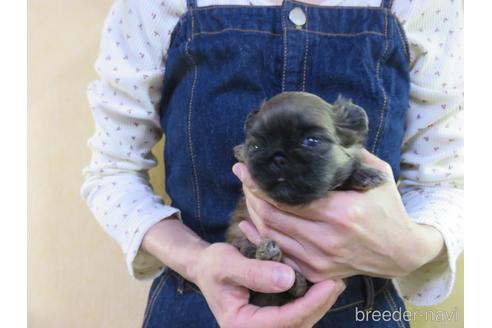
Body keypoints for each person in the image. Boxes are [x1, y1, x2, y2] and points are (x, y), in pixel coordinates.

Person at [81, 0, 463, 327]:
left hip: (363, 308)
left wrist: (412, 247)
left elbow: (448, 182)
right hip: (198, 305)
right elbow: (111, 173)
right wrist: (197, 262)